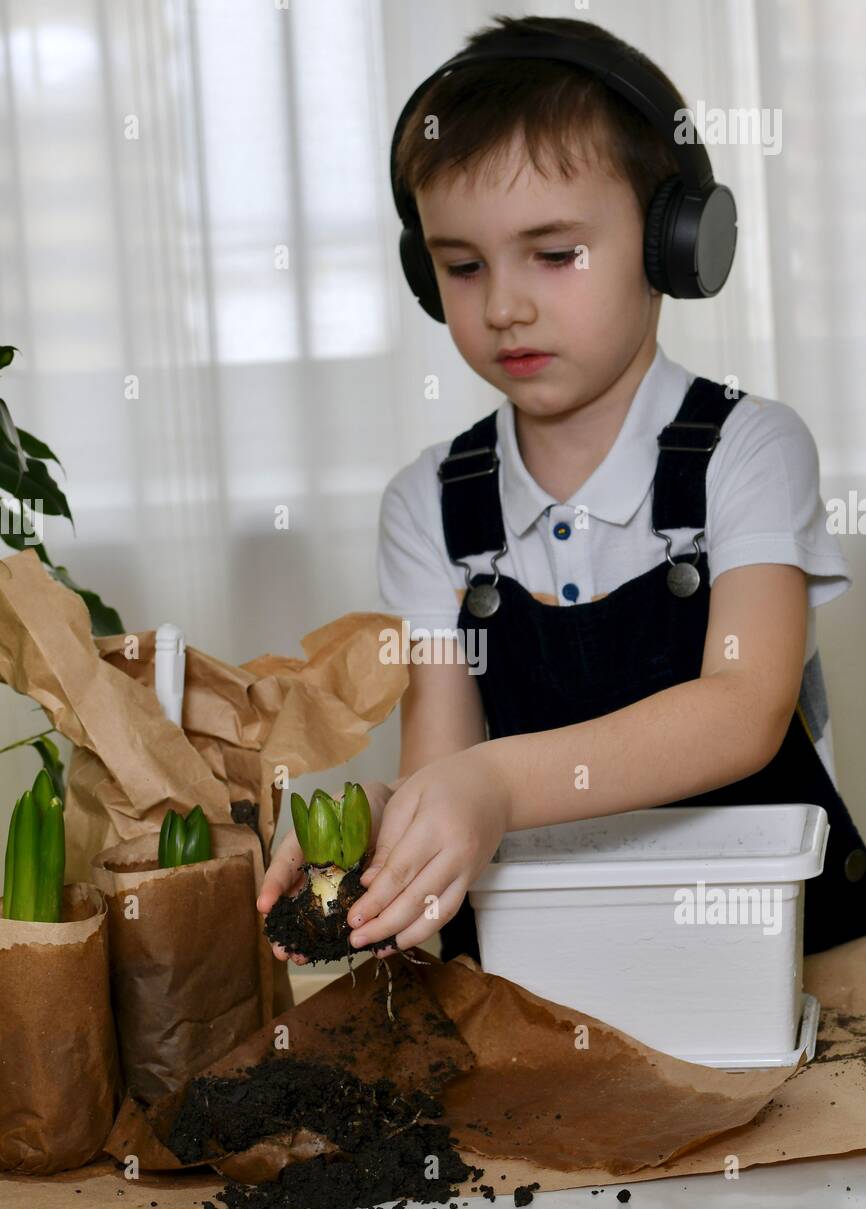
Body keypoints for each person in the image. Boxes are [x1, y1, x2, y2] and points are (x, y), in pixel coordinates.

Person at [258, 13, 864, 967]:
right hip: (565, 958)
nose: (504, 304)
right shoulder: (427, 505)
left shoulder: (748, 447)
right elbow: (444, 761)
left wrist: (493, 783)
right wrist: (388, 815)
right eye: (462, 266)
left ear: (674, 244)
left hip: (786, 950)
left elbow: (743, 710)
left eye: (555, 253)